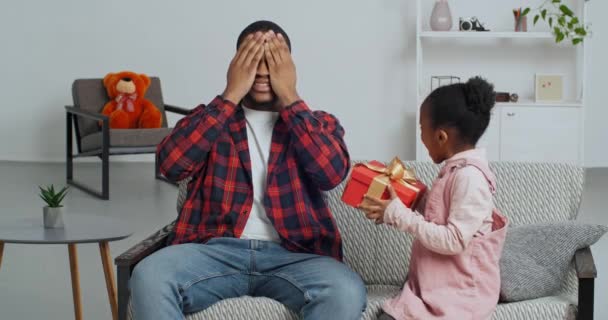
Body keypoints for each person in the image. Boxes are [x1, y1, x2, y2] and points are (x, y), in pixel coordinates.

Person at [130, 20, 366, 320]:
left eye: (273, 59)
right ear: (235, 64)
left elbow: (331, 174)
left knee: (345, 290)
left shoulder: (319, 122)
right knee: (149, 276)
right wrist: (230, 95)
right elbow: (171, 166)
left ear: (289, 66)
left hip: (295, 257)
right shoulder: (210, 118)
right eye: (253, 58)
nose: (263, 70)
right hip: (213, 252)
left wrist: (290, 98)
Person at [361, 77, 508, 320]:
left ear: (441, 137)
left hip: (460, 295)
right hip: (434, 287)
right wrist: (410, 195)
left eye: (422, 129)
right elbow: (439, 212)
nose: (421, 137)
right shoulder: (455, 171)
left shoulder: (470, 177)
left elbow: (453, 240)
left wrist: (400, 216)